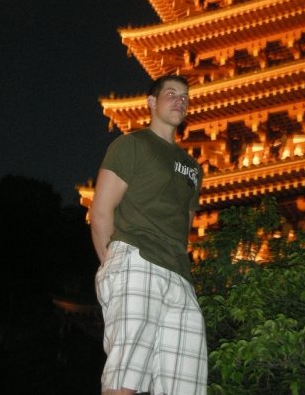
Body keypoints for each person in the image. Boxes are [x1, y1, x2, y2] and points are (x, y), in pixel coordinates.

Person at [90, 74, 208, 395]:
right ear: (152, 103)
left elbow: (182, 225)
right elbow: (101, 212)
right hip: (135, 261)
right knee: (125, 376)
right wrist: (112, 264)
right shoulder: (132, 145)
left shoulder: (193, 168)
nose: (180, 100)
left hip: (180, 277)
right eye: (171, 94)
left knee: (186, 384)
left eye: (185, 96)